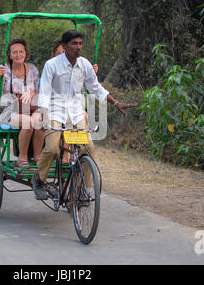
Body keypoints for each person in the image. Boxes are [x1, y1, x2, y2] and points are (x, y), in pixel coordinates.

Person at [32, 30, 138, 200]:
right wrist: (44, 116)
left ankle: (81, 187)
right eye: (74, 44)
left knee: (88, 147)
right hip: (55, 111)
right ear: (65, 46)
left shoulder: (85, 65)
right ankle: (39, 179)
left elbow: (96, 88)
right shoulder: (52, 65)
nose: (78, 47)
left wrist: (116, 102)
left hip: (75, 112)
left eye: (80, 44)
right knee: (52, 148)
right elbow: (44, 93)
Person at [0, 38, 44, 167]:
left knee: (40, 120)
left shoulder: (32, 69)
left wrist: (32, 93)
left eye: (21, 51)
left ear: (26, 53)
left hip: (29, 108)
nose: (18, 55)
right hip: (9, 112)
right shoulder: (3, 70)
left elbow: (39, 94)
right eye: (15, 52)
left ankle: (38, 157)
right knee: (28, 121)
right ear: (10, 55)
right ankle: (22, 157)